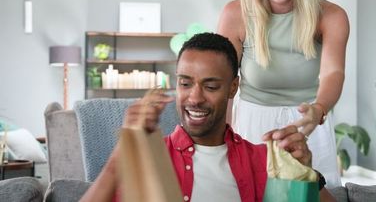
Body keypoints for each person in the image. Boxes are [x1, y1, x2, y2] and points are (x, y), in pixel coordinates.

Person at [80, 33, 336, 202]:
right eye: (185, 83)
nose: (194, 98)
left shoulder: (262, 159)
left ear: (233, 88)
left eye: (211, 87)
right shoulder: (150, 157)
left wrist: (307, 174)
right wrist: (121, 155)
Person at [217, 0, 350, 187]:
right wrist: (221, 140)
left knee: (312, 195)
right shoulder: (235, 14)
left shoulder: (332, 16)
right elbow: (225, 84)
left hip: (307, 124)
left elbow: (333, 72)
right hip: (252, 124)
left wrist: (318, 110)